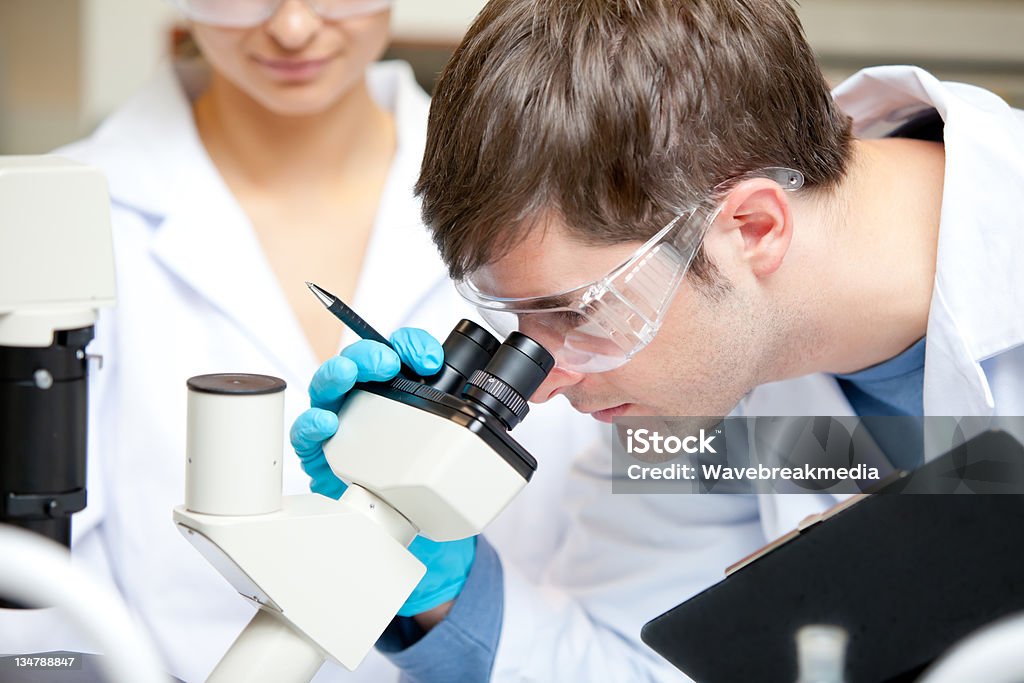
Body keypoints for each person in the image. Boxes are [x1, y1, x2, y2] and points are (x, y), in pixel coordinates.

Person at [292, 0, 1024, 680]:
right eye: (521, 325)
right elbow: (633, 657)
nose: (543, 381)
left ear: (753, 227)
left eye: (577, 311)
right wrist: (438, 588)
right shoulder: (707, 381)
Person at [0, 1, 600, 682]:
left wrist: (449, 598)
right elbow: (33, 598)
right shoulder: (49, 215)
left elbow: (631, 569)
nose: (291, 27)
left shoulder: (553, 195)